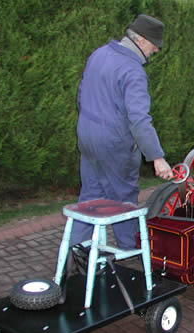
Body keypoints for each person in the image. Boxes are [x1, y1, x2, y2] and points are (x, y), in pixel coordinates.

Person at [70, 14, 173, 250]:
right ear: (143, 40)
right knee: (124, 203)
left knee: (90, 201)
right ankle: (131, 255)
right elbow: (139, 120)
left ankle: (76, 255)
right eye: (156, 44)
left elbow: (81, 97)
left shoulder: (99, 54)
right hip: (115, 147)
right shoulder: (133, 71)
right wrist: (157, 158)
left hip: (87, 138)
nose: (156, 50)